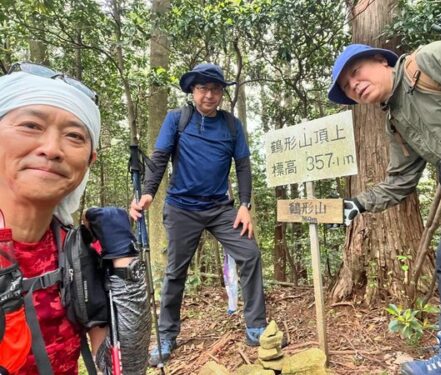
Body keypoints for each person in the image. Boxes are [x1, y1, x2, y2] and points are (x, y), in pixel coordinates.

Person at [327, 41, 441, 375]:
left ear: (380, 60)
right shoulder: (396, 120)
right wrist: (357, 204)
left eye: (356, 72)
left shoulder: (432, 61)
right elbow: (401, 181)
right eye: (348, 87)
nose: (355, 85)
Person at [0, 64, 149, 374]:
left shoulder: (74, 252)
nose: (52, 149)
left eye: (74, 136)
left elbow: (121, 370)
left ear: (89, 160)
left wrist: (125, 266)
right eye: (30, 125)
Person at [129, 63, 268, 366]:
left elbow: (243, 165)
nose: (209, 94)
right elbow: (160, 157)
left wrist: (245, 204)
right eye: (203, 88)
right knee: (175, 272)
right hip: (182, 208)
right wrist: (148, 193)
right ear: (192, 91)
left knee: (249, 253)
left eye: (215, 89)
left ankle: (256, 327)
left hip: (221, 208)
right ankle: (166, 336)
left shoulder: (231, 125)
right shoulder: (177, 119)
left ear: (221, 93)